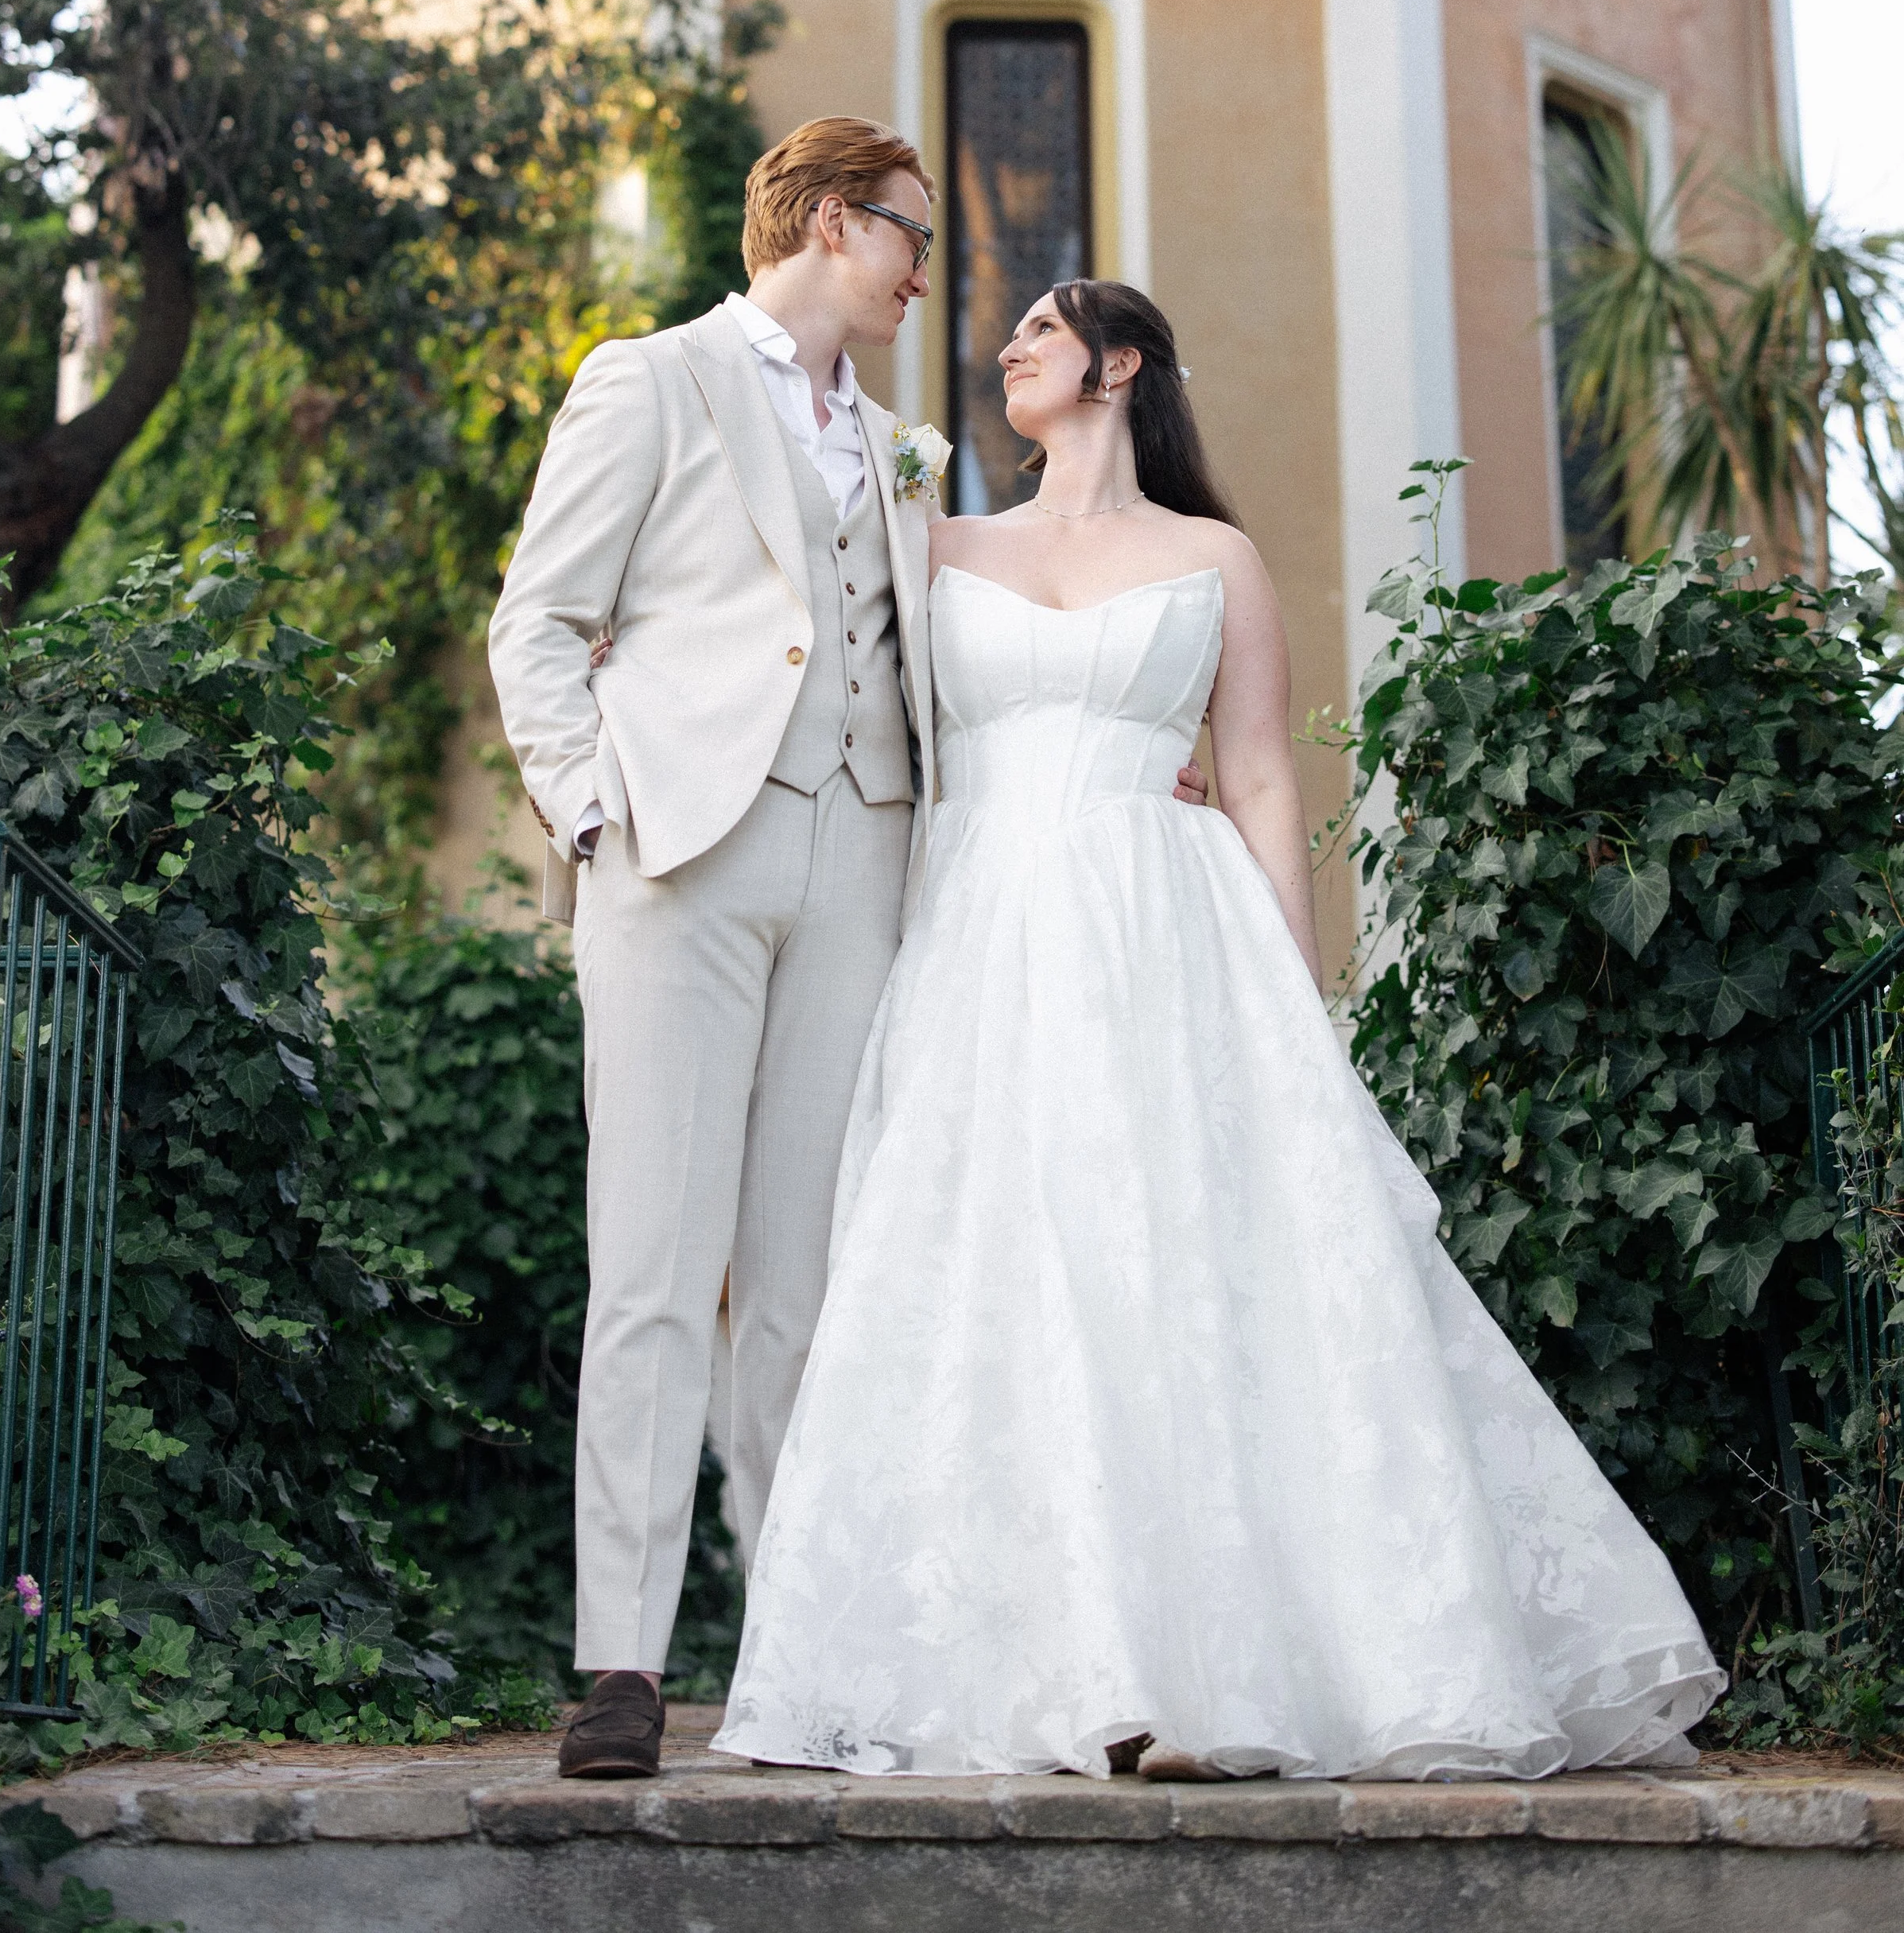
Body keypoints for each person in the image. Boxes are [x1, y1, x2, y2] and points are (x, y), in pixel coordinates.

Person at [714, 278, 1722, 1781]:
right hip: (982, 950)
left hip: (1168, 943)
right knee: (1012, 1278)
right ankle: (1064, 1668)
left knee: (1183, 1274)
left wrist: (1300, 1004)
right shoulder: (938, 543)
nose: (1012, 351)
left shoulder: (1218, 558)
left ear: (1121, 365)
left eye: (1044, 333)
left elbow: (1257, 779)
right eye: (1011, 340)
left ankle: (1214, 1677)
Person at [487, 123, 1209, 1780]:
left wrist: (1114, 733)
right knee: (655, 1272)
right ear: (833, 223)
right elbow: (536, 618)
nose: (921, 271)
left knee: (811, 1288)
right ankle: (619, 1664)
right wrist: (593, 809)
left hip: (865, 862)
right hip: (678, 853)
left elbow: (973, 632)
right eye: (906, 237)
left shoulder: (907, 448)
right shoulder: (648, 381)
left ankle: (793, 1653)